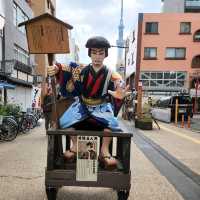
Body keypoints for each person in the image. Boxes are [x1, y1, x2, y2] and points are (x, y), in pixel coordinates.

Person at [47, 36, 129, 169]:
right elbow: (66, 68)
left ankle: (104, 151)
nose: (97, 56)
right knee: (64, 121)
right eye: (94, 52)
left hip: (101, 107)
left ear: (105, 54)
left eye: (101, 53)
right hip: (82, 105)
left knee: (112, 124)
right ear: (90, 54)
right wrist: (56, 69)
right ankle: (76, 145)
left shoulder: (110, 72)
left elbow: (119, 81)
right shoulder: (81, 69)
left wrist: (120, 90)